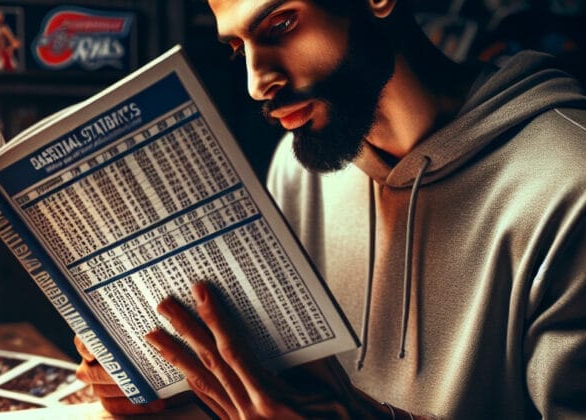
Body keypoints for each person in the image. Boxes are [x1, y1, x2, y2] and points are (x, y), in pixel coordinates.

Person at [76, 0, 586, 418]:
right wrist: (174, 397)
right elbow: (283, 397)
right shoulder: (301, 168)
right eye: (238, 48)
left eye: (281, 24)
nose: (257, 83)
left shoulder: (569, 184)